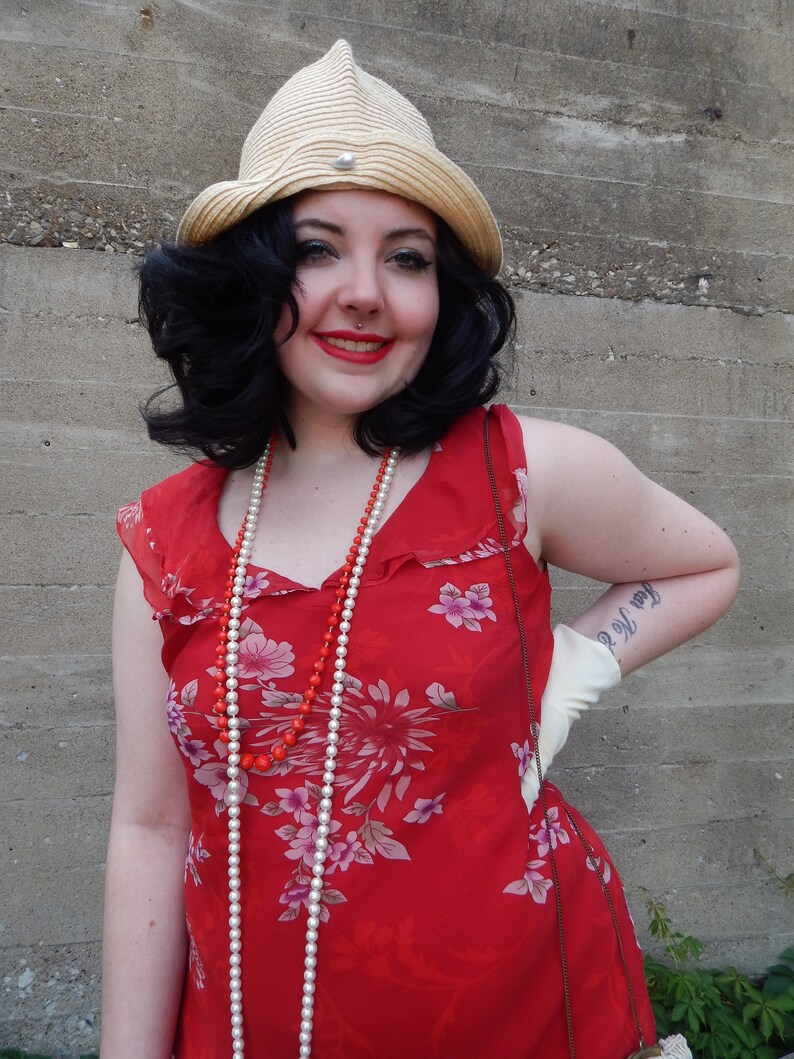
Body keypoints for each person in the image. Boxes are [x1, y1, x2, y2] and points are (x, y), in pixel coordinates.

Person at [100, 40, 739, 1059]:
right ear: (246, 276)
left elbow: (702, 563)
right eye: (316, 249)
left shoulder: (523, 472)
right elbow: (149, 828)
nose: (365, 292)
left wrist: (569, 672)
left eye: (405, 257)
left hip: (530, 1013)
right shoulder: (161, 545)